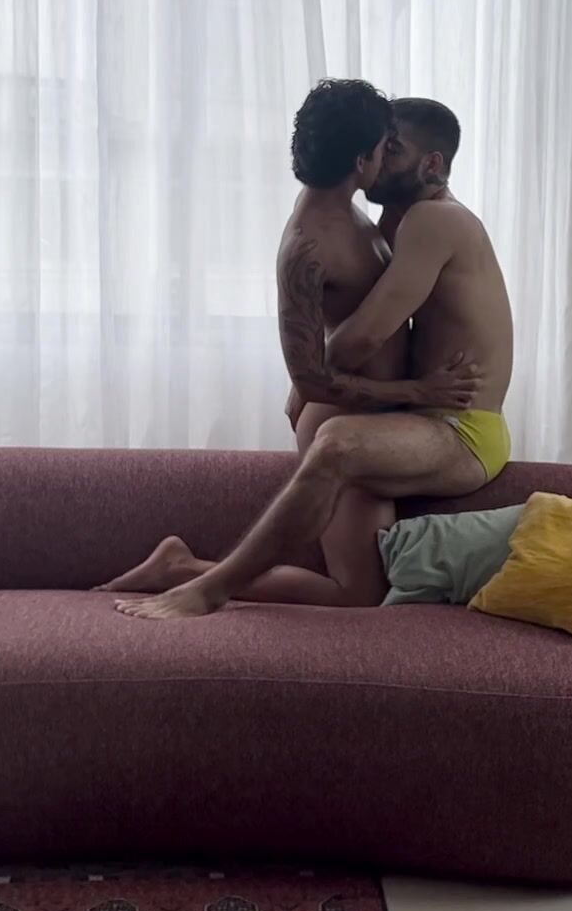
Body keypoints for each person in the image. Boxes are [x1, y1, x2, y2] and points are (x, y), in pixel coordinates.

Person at [107, 89, 516, 620]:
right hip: (399, 422)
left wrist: (311, 379)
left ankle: (203, 584)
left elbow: (362, 339)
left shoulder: (436, 221)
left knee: (337, 447)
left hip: (461, 431)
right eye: (380, 146)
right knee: (357, 591)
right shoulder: (380, 223)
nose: (379, 157)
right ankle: (185, 572)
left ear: (432, 164)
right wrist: (318, 381)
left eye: (394, 149)